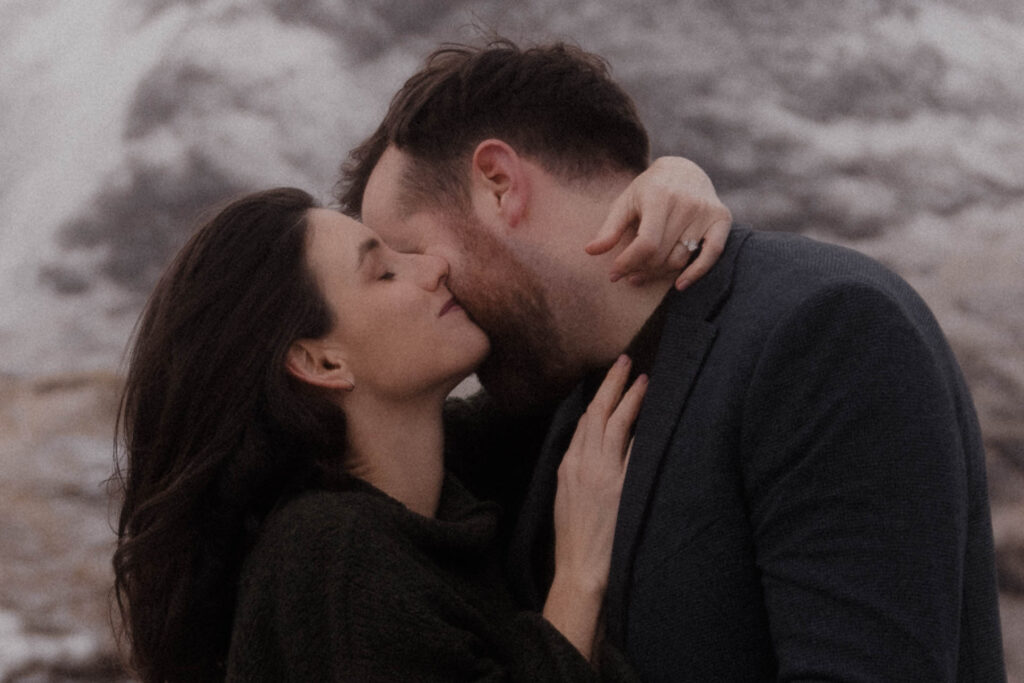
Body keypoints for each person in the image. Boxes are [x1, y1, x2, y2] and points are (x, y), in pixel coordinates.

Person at [337, 39, 1007, 681]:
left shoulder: (825, 328)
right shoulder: (555, 404)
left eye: (413, 252)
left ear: (498, 182)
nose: (424, 287)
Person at [111, 169, 728, 681]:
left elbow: (589, 348)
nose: (431, 266)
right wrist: (579, 576)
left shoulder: (447, 482)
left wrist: (674, 180)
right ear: (321, 361)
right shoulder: (327, 551)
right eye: (383, 272)